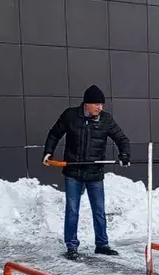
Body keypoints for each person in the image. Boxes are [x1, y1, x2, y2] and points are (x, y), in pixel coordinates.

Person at [43, 85, 131, 261]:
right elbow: (54, 134)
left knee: (99, 210)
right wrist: (48, 152)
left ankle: (102, 244)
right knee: (72, 210)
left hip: (94, 172)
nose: (100, 108)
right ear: (86, 104)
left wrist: (124, 154)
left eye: (102, 104)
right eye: (97, 104)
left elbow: (122, 139)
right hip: (73, 171)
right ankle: (72, 246)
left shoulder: (106, 120)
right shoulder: (70, 116)